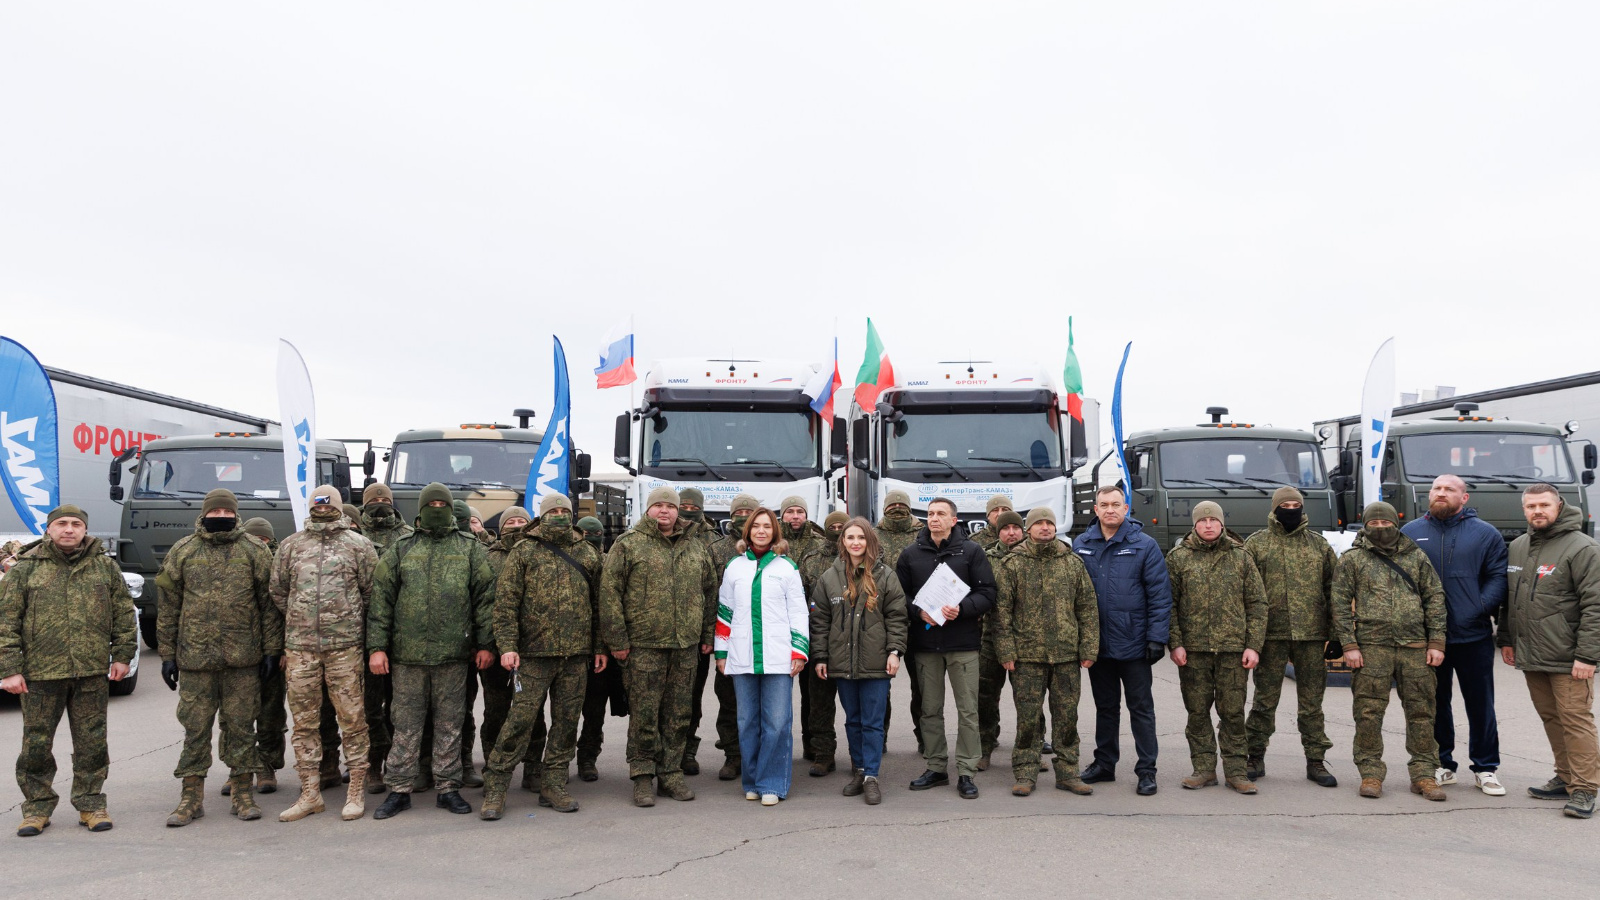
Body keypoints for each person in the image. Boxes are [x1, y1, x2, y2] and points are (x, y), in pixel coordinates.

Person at [0, 505, 137, 837]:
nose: (69, 529)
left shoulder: (104, 567)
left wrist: (122, 656)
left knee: (92, 743)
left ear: (85, 530)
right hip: (40, 673)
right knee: (36, 745)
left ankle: (91, 804)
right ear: (49, 529)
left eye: (76, 524)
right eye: (61, 523)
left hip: (90, 671)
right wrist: (10, 669)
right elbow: (6, 622)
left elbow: (123, 614)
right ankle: (37, 808)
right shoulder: (25, 569)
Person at [369, 482, 496, 819]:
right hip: (407, 656)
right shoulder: (402, 548)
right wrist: (377, 647)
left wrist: (485, 644)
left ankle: (448, 788)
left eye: (443, 505)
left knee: (450, 724)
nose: (437, 509)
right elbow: (381, 601)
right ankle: (399, 789)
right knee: (405, 724)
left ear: (451, 509)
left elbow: (485, 599)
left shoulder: (469, 548)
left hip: (453, 655)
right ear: (421, 509)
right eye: (432, 505)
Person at [156, 488, 279, 825]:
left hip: (243, 659)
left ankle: (243, 794)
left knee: (241, 728)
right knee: (195, 730)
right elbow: (168, 607)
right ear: (204, 513)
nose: (222, 516)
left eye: (227, 512)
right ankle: (190, 798)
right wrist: (167, 655)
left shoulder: (254, 550)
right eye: (216, 511)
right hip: (195, 660)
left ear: (236, 514)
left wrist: (271, 650)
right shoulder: (183, 550)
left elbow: (269, 606)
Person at [481, 493, 605, 819]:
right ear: (542, 515)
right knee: (519, 723)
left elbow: (598, 606)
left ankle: (553, 784)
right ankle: (496, 787)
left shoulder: (587, 552)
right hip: (534, 655)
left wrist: (599, 647)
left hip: (575, 655)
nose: (559, 515)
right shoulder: (524, 550)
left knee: (566, 724)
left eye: (565, 510)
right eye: (553, 511)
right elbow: (506, 603)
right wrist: (508, 646)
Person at [599, 486, 718, 807]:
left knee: (679, 713)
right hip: (643, 646)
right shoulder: (628, 544)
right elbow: (610, 595)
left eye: (670, 506)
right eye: (658, 505)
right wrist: (617, 641)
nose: (664, 511)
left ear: (678, 511)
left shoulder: (695, 546)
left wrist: (707, 635)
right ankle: (642, 776)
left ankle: (670, 773)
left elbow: (710, 593)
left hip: (685, 646)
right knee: (645, 714)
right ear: (648, 509)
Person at [270, 484, 378, 822]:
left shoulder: (358, 545)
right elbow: (278, 590)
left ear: (340, 508)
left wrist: (347, 620)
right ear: (310, 508)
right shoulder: (291, 545)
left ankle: (355, 790)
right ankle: (310, 793)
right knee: (304, 723)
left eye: (329, 505)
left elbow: (371, 592)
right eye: (318, 506)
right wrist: (301, 618)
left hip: (344, 648)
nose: (323, 510)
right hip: (301, 649)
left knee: (353, 720)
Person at [1401, 474, 1509, 796]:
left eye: (1449, 489)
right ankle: (1442, 763)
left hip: (1473, 635)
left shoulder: (1485, 534)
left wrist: (1478, 607)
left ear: (1464, 498)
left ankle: (1486, 768)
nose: (1441, 493)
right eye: (1436, 488)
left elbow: (1498, 576)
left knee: (1481, 705)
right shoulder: (1410, 533)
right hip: (1427, 637)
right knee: (1435, 703)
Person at [1333, 501, 1448, 801]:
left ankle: (1424, 774)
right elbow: (1340, 604)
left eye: (1386, 524)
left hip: (1415, 648)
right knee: (1368, 713)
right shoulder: (1353, 559)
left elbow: (1434, 598)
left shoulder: (1416, 557)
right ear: (1365, 526)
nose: (1381, 529)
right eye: (1374, 524)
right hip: (1372, 648)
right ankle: (1370, 773)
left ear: (1396, 525)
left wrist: (1437, 642)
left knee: (1422, 712)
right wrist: (1349, 645)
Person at [1500, 483, 1600, 819]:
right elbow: (1511, 598)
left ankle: (1585, 788)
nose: (1537, 511)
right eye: (1531, 506)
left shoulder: (1583, 548)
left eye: (1544, 505)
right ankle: (1566, 776)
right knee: (1551, 717)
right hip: (1533, 653)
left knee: (1576, 721)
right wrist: (1507, 639)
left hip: (1569, 657)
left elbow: (1595, 606)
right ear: (1524, 510)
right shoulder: (1519, 546)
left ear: (1559, 506)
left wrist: (1587, 656)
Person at [895, 497, 996, 799]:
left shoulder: (971, 552)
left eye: (941, 514)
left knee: (968, 710)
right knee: (929, 709)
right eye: (930, 514)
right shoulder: (910, 554)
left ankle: (966, 770)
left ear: (954, 520)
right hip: (926, 645)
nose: (934, 518)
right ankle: (936, 766)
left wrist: (962, 609)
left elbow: (988, 592)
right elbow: (898, 596)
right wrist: (918, 612)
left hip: (963, 644)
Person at [1072, 486, 1170, 796]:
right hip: (1098, 644)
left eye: (1116, 504)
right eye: (1104, 505)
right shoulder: (1081, 545)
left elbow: (1159, 595)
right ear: (1096, 510)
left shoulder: (1144, 545)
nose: (1110, 509)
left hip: (1134, 644)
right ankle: (1105, 764)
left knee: (1141, 709)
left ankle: (1147, 770)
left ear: (1126, 509)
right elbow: (1073, 595)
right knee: (1105, 707)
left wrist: (1156, 638)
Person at [994, 507, 1098, 797]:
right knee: (1028, 718)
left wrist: (1089, 647)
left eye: (1049, 523)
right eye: (1038, 523)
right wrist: (1006, 650)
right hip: (1027, 655)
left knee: (1067, 718)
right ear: (1028, 529)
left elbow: (1087, 608)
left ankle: (1068, 772)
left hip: (1066, 655)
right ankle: (1025, 771)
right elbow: (1001, 612)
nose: (1045, 528)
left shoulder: (1072, 563)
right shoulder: (1013, 564)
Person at [1242, 487, 1340, 788]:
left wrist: (1337, 634)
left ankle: (1316, 761)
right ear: (1275, 508)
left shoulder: (1318, 545)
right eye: (1285, 505)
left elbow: (1334, 591)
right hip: (1270, 635)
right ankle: (1254, 756)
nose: (1291, 509)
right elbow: (1245, 592)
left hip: (1311, 634)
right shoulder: (1256, 544)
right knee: (1264, 701)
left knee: (1312, 704)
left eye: (1296, 504)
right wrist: (1250, 638)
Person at [1167, 502, 1266, 794]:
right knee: (1197, 712)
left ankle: (1236, 772)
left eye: (1213, 520)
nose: (1208, 525)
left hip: (1232, 651)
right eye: (1203, 520)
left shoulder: (1241, 557)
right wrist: (1176, 643)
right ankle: (1203, 769)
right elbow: (1169, 606)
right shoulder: (1178, 558)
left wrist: (1253, 646)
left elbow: (1257, 604)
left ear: (1222, 524)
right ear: (1194, 525)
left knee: (1232, 713)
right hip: (1193, 651)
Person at [811, 518, 907, 806]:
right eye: (850, 537)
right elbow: (819, 621)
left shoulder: (885, 576)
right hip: (842, 663)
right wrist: (821, 657)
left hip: (875, 663)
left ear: (869, 541)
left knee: (872, 723)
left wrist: (894, 651)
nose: (855, 543)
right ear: (843, 542)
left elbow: (897, 617)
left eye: (861, 537)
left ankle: (872, 776)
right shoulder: (830, 577)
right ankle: (860, 771)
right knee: (852, 720)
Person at [716, 507, 808, 805]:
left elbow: (798, 612)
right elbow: (725, 611)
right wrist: (721, 651)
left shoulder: (787, 567)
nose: (761, 531)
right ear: (748, 531)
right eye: (756, 526)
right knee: (747, 722)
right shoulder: (734, 566)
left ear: (775, 532)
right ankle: (753, 780)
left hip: (778, 656)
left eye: (767, 526)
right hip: (742, 654)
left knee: (777, 722)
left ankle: (772, 783)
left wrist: (799, 650)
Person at [356, 482, 411, 795]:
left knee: (400, 706)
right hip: (362, 634)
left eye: (384, 499)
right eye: (374, 499)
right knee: (370, 706)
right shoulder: (354, 536)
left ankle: (398, 762)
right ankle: (373, 764)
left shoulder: (407, 536)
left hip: (400, 634)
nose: (379, 503)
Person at [700, 493, 759, 782]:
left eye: (749, 513)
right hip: (728, 638)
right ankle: (733, 755)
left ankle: (759, 755)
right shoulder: (717, 549)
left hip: (761, 638)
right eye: (739, 513)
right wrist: (711, 636)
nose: (743, 517)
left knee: (762, 702)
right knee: (729, 699)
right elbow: (710, 595)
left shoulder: (772, 549)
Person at [484, 506, 538, 792]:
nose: (516, 526)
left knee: (532, 714)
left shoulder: (538, 553)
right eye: (510, 522)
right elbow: (481, 603)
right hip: (495, 649)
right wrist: (485, 645)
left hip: (531, 649)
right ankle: (491, 766)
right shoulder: (488, 557)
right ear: (501, 527)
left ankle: (533, 768)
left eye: (521, 521)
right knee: (496, 711)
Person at [575, 515, 629, 783]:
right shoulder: (574, 563)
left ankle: (590, 757)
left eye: (596, 534)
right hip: (587, 650)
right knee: (588, 711)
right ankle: (583, 757)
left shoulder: (613, 562)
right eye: (585, 534)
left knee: (611, 709)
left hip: (617, 649)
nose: (591, 539)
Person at [237, 517, 287, 797]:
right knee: (237, 717)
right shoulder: (238, 560)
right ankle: (239, 769)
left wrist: (283, 649)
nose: (260, 544)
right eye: (255, 539)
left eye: (264, 540)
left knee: (271, 714)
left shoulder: (281, 562)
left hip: (274, 651)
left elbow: (288, 609)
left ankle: (267, 766)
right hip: (240, 651)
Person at [798, 509, 850, 776]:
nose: (837, 531)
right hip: (820, 640)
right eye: (834, 526)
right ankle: (823, 753)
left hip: (855, 643)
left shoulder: (865, 558)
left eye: (843, 527)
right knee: (819, 703)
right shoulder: (812, 560)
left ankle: (861, 756)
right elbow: (803, 603)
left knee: (857, 706)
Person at [978, 510, 1028, 771]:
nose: (1011, 533)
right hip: (989, 638)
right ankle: (984, 747)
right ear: (998, 533)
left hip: (1026, 640)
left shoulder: (1032, 556)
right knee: (985, 697)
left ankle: (1031, 749)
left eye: (1016, 528)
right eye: (1006, 529)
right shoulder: (985, 558)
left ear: (1023, 531)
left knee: (1028, 699)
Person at [678, 487, 718, 777]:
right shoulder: (661, 533)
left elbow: (713, 590)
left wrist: (708, 634)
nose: (688, 511)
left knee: (692, 698)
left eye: (694, 507)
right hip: (662, 633)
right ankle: (662, 752)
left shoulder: (712, 541)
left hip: (697, 634)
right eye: (684, 506)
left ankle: (687, 751)